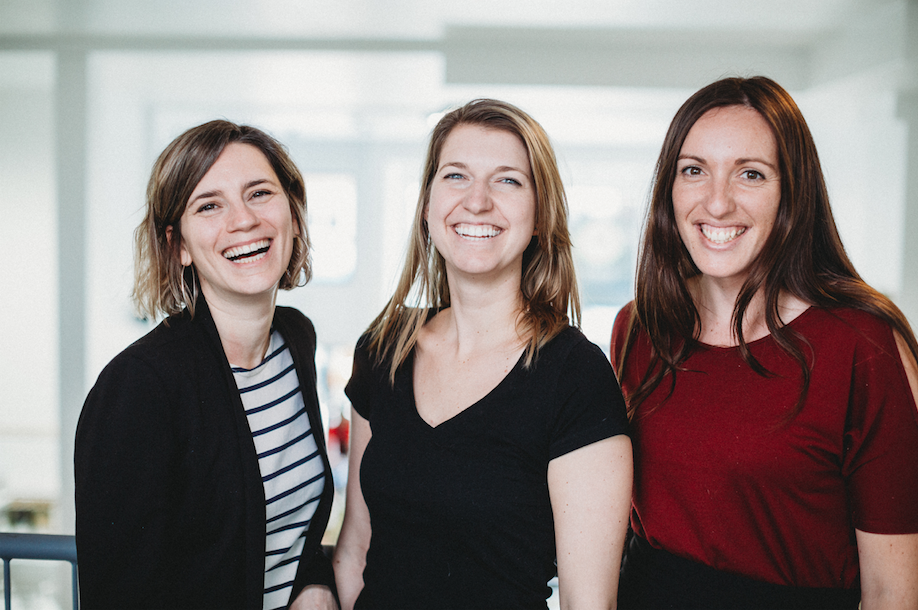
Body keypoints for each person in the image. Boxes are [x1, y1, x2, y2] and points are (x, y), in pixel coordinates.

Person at [611, 76, 918, 609]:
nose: (718, 202)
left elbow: (894, 592)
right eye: (694, 171)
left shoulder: (862, 346)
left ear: (792, 193)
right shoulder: (640, 327)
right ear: (669, 187)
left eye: (750, 174)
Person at [332, 98, 633, 609]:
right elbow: (355, 549)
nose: (477, 201)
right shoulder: (384, 347)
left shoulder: (574, 374)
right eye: (456, 176)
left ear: (540, 215)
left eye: (508, 181)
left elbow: (588, 604)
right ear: (428, 206)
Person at [75, 120, 338, 610]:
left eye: (259, 193)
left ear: (293, 216)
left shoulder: (295, 341)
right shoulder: (139, 386)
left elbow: (289, 525)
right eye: (209, 205)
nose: (243, 220)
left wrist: (315, 582)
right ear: (179, 246)